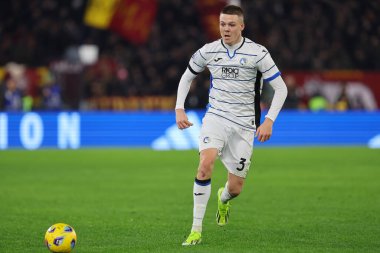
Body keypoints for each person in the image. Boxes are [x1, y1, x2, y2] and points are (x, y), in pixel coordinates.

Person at [175, 5, 288, 246]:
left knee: (235, 188)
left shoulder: (258, 53)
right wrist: (179, 108)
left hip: (245, 125)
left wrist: (268, 121)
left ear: (241, 26)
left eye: (231, 24)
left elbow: (281, 88)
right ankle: (196, 230)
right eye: (222, 24)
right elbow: (187, 77)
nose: (226, 29)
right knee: (205, 165)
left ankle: (223, 199)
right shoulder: (209, 51)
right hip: (215, 117)